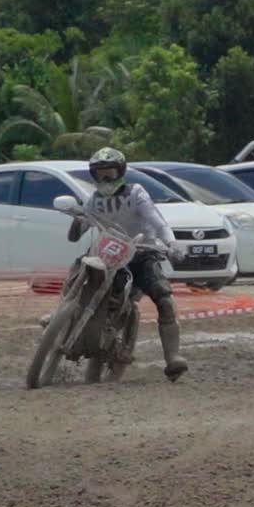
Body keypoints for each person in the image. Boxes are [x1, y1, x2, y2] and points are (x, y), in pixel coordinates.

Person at [64, 147, 189, 380]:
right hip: (108, 256)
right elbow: (75, 235)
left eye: (109, 173)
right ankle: (60, 315)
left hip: (142, 255)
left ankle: (172, 357)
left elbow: (158, 223)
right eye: (100, 174)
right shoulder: (94, 200)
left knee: (164, 298)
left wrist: (171, 244)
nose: (105, 179)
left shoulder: (136, 194)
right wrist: (76, 219)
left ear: (120, 172)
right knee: (80, 265)